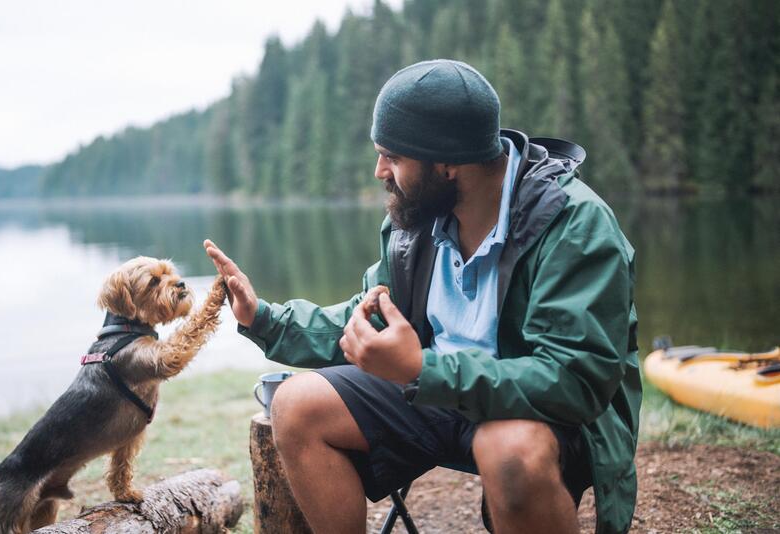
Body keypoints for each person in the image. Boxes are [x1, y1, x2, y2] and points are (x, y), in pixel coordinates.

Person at [205, 59, 639, 534]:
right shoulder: (417, 218)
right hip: (434, 392)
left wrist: (422, 369)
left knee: (508, 450)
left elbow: (574, 381)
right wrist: (264, 318)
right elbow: (367, 316)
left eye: (392, 156)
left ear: (447, 163)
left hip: (541, 416)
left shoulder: (573, 224)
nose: (379, 171)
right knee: (296, 404)